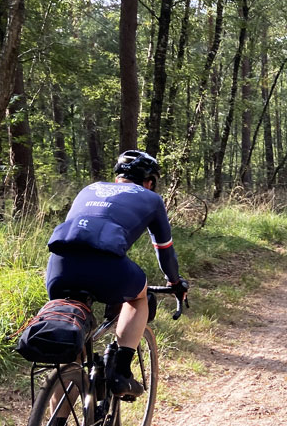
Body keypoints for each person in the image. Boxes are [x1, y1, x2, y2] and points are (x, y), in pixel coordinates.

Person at [45, 150, 186, 399]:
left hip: (59, 267)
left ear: (117, 177)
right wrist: (175, 282)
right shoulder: (151, 198)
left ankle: (57, 422)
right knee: (139, 297)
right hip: (107, 266)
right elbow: (165, 251)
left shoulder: (89, 189)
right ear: (149, 182)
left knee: (73, 352)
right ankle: (121, 371)